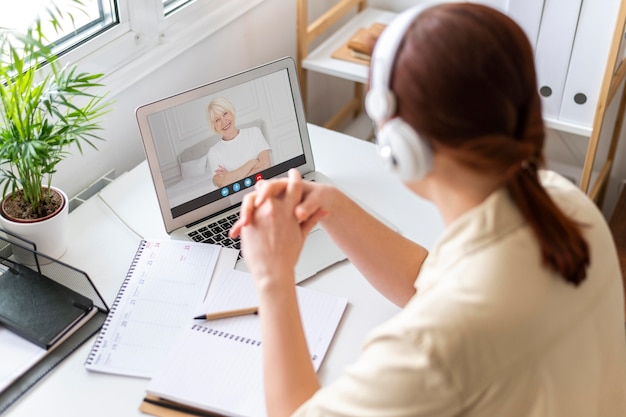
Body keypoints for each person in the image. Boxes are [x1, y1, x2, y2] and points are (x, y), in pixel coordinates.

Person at [230, 3, 626, 417]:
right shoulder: (562, 202)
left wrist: (273, 279)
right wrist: (331, 206)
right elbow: (428, 283)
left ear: (403, 145)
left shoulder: (436, 345)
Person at [206, 96, 271, 188]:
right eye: (217, 120)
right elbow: (222, 183)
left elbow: (266, 164)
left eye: (225, 113)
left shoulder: (254, 132)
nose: (224, 122)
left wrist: (231, 176)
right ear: (214, 127)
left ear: (232, 112)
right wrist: (251, 163)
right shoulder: (213, 152)